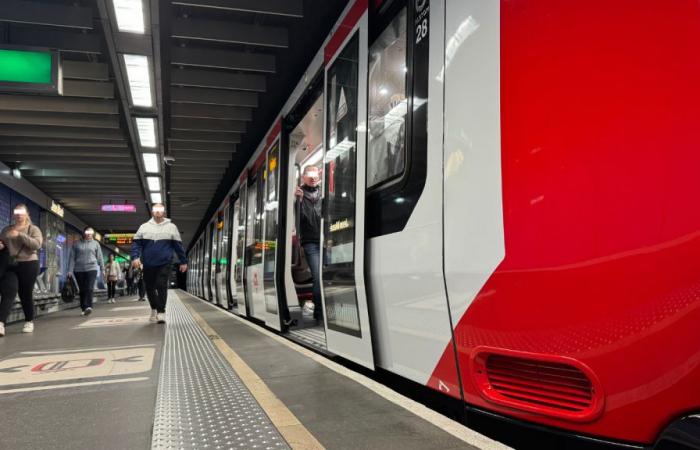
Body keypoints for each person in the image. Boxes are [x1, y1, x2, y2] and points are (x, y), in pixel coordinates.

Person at [131, 203, 187, 324]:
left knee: (161, 284)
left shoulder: (171, 227)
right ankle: (154, 308)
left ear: (164, 212)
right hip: (148, 263)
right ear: (152, 212)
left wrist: (183, 261)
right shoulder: (144, 227)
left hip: (165, 262)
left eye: (160, 210)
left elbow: (178, 246)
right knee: (150, 287)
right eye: (155, 210)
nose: (157, 212)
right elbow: (136, 244)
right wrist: (135, 257)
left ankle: (161, 311)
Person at [0, 204, 43, 336]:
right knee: (9, 292)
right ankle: (1, 323)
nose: (19, 215)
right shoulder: (6, 229)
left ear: (26, 214)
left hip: (29, 264)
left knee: (25, 293)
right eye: (16, 212)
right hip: (9, 265)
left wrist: (20, 235)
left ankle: (29, 321)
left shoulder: (33, 229)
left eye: (21, 212)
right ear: (13, 214)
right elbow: (2, 243)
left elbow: (37, 244)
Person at [295, 165, 323, 324]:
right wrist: (297, 201)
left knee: (326, 276)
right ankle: (319, 313)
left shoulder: (324, 194)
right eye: (309, 174)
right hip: (310, 242)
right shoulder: (299, 195)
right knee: (318, 276)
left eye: (315, 174)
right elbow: (298, 220)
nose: (313, 178)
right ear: (304, 177)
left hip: (326, 241)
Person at [68, 227, 105, 316]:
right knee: (82, 290)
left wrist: (102, 269)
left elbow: (100, 257)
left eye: (90, 232)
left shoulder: (95, 244)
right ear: (84, 233)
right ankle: (84, 307)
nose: (89, 234)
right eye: (87, 232)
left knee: (89, 287)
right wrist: (70, 270)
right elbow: (72, 258)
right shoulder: (76, 244)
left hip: (91, 268)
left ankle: (89, 306)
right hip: (79, 269)